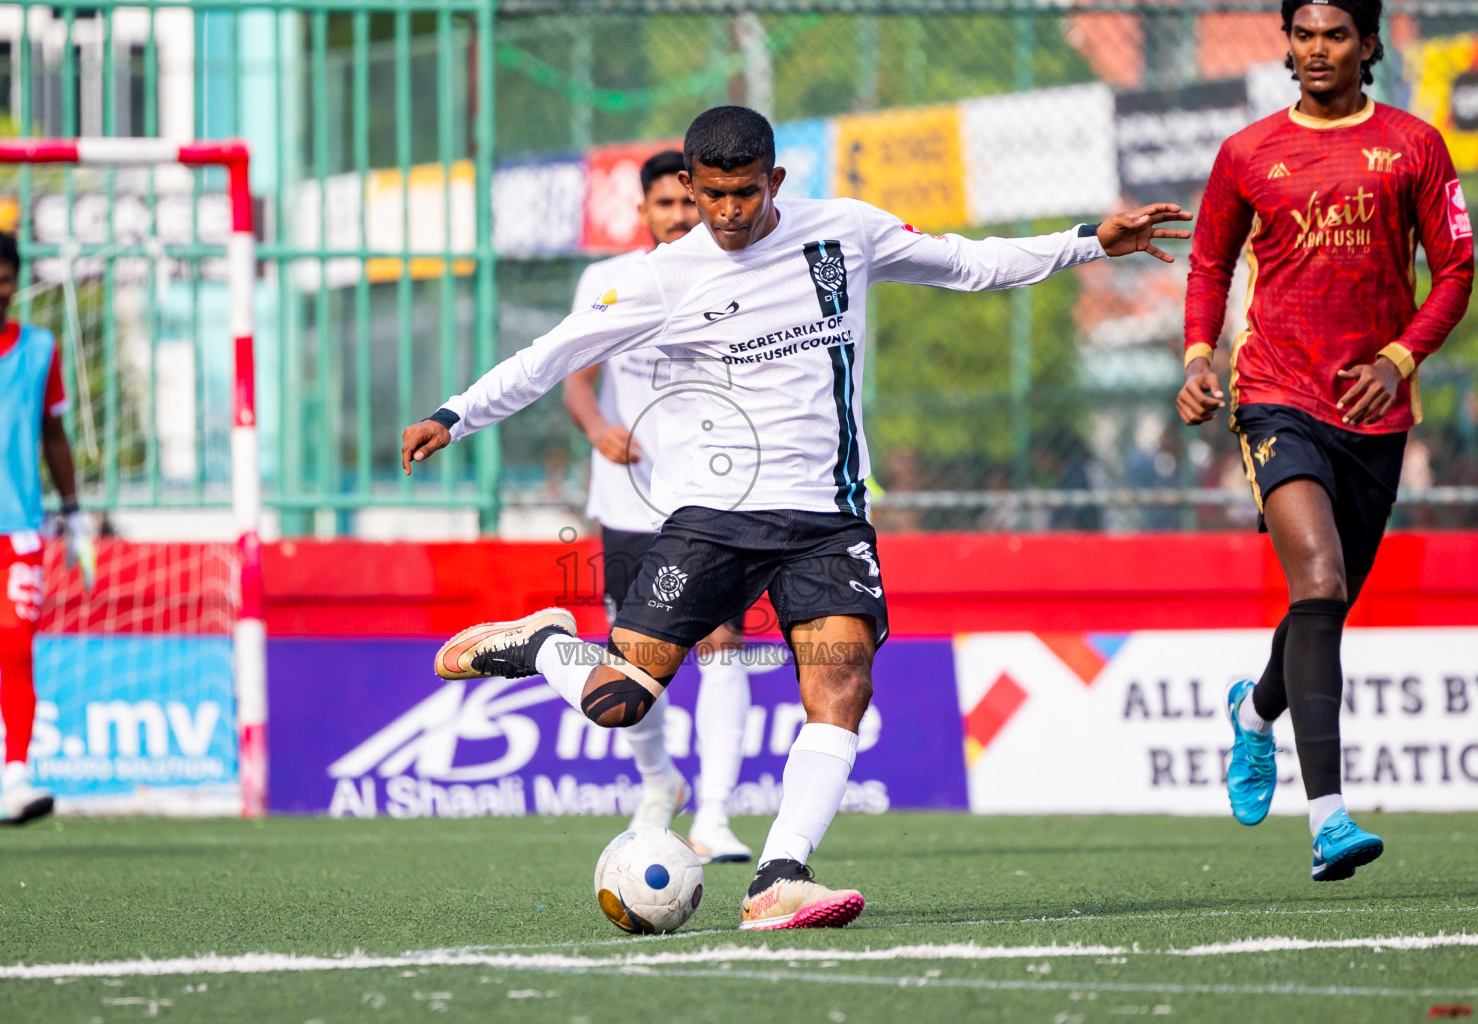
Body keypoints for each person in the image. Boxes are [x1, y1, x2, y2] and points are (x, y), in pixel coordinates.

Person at [404, 105, 1188, 929]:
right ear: (690, 188)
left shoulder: (844, 232)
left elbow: (970, 263)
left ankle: (779, 873)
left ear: (774, 181)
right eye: (711, 196)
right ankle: (540, 643)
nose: (729, 212)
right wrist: (455, 415)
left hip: (828, 519)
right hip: (714, 521)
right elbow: (552, 356)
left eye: (744, 193)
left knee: (841, 684)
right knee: (621, 703)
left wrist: (1091, 242)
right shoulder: (665, 275)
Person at [1178, 0, 1473, 880]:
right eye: (1302, 34)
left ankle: (1254, 713)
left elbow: (1456, 267)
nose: (1315, 50)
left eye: (1335, 34)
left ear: (1368, 45)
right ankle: (1330, 817)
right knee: (1319, 577)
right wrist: (1199, 357)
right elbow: (1209, 262)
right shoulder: (1248, 153)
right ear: (1288, 43)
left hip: (1375, 409)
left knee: (1326, 603)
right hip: (1275, 395)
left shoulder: (1415, 146)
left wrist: (1400, 356)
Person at [561, 150, 756, 864]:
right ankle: (658, 782)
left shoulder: (739, 273)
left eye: (688, 203)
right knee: (629, 661)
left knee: (722, 642)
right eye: (665, 205)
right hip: (627, 500)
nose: (679, 215)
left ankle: (716, 817)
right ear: (643, 212)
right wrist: (597, 429)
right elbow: (574, 377)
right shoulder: (607, 281)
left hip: (711, 500)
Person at [0, 229, 98, 827]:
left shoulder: (40, 349)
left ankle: (15, 777)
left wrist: (74, 511)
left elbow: (53, 434)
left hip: (15, 531)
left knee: (14, 647)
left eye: (5, 280)